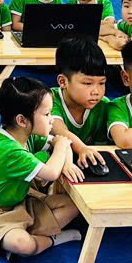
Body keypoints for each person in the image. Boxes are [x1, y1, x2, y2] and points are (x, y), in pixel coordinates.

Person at [0, 77, 82, 258]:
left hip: (20, 201)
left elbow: (65, 142)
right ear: (22, 120)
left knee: (73, 206)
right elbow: (52, 170)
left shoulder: (25, 135)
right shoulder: (9, 149)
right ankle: (51, 239)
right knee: (23, 244)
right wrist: (60, 147)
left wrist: (66, 161)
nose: (51, 120)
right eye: (47, 114)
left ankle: (30, 235)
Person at [48, 36, 111, 169]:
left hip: (84, 164)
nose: (96, 91)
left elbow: (101, 146)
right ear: (63, 82)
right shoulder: (48, 100)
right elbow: (59, 130)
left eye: (102, 83)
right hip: (51, 163)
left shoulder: (103, 105)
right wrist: (82, 148)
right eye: (87, 83)